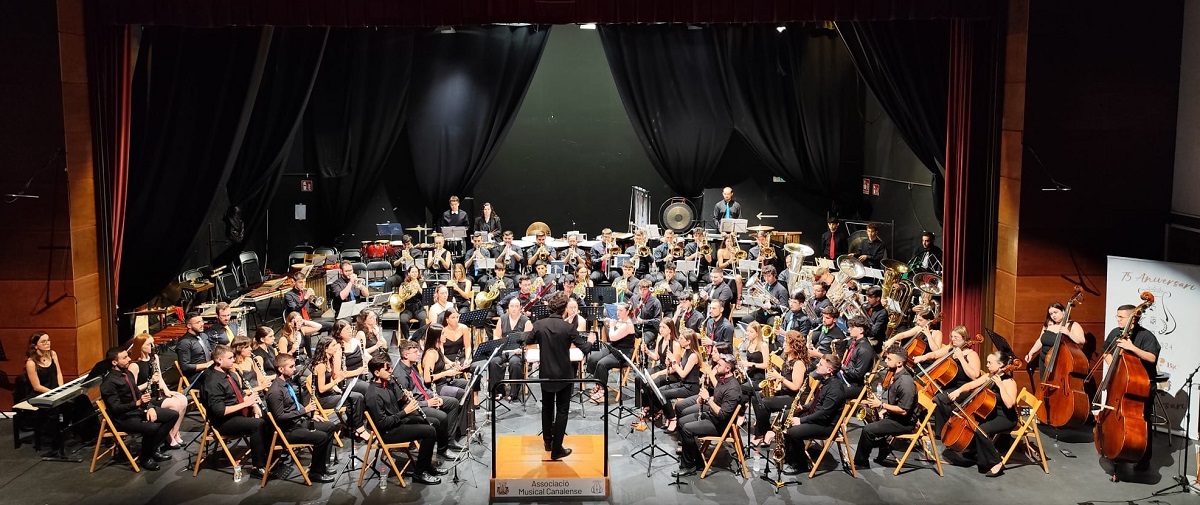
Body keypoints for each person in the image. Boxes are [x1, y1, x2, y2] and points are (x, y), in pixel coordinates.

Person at [525, 292, 596, 459]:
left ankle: (547, 442)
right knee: (562, 410)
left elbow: (528, 340)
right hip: (565, 375)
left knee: (547, 408)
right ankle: (557, 449)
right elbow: (584, 349)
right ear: (564, 309)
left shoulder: (539, 325)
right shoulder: (568, 327)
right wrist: (591, 340)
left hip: (546, 373)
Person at [1100, 303, 1161, 477]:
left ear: (1132, 318)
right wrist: (1115, 367)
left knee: (1143, 421)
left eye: (1121, 317)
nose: (1117, 319)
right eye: (1117, 316)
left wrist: (1131, 348)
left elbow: (1152, 357)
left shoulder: (1146, 336)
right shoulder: (1115, 333)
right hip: (1119, 384)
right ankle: (1115, 451)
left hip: (1141, 387)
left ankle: (1143, 458)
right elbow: (1106, 351)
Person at [937, 350, 1019, 477]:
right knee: (972, 423)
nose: (986, 365)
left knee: (981, 429)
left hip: (1006, 417)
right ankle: (974, 452)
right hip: (991, 413)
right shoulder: (989, 376)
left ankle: (996, 462)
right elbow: (971, 384)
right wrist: (959, 391)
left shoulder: (1009, 382)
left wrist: (1001, 386)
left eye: (990, 363)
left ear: (1001, 364)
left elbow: (1009, 404)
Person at [363, 357, 443, 485]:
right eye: (387, 369)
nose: (391, 371)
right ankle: (419, 473)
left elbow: (394, 405)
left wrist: (405, 398)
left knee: (435, 422)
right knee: (429, 431)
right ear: (377, 373)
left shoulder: (386, 383)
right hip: (389, 432)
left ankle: (426, 465)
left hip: (398, 422)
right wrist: (405, 412)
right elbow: (382, 423)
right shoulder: (373, 395)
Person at [100, 347, 177, 471]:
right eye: (124, 358)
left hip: (136, 411)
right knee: (152, 427)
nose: (129, 359)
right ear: (114, 362)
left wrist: (150, 407)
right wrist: (137, 404)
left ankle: (150, 451)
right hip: (123, 418)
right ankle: (145, 458)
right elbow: (115, 408)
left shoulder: (127, 374)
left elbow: (139, 394)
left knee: (172, 415)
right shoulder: (109, 383)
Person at [200, 345, 272, 478]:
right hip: (223, 422)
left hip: (238, 413)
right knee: (257, 425)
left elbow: (239, 394)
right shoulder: (212, 382)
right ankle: (258, 466)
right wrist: (246, 404)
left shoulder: (229, 374)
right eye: (230, 357)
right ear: (219, 360)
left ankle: (271, 455)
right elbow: (220, 411)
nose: (233, 360)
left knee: (268, 416)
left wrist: (253, 405)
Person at [265, 353, 337, 483]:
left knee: (329, 426)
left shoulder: (287, 384)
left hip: (298, 422)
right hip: (288, 431)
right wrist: (305, 411)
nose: (294, 369)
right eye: (291, 366)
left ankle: (322, 466)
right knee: (321, 437)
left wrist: (310, 415)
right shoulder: (275, 391)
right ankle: (315, 473)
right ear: (281, 369)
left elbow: (294, 406)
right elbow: (280, 417)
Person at [672, 352, 743, 478]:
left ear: (728, 368)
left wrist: (708, 400)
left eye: (719, 365)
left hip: (720, 426)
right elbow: (717, 399)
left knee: (687, 429)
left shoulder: (733, 388)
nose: (716, 366)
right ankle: (696, 460)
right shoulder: (723, 379)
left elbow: (722, 415)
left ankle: (689, 466)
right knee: (682, 421)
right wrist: (705, 399)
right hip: (712, 416)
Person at [394, 339, 466, 459]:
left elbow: (422, 387)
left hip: (426, 399)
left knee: (453, 403)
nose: (419, 354)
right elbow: (405, 402)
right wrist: (427, 403)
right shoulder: (400, 374)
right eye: (415, 352)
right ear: (405, 355)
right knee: (442, 417)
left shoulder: (413, 366)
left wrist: (434, 396)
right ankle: (443, 449)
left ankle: (450, 440)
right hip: (415, 406)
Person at [781, 354, 848, 475]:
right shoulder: (826, 381)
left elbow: (824, 414)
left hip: (826, 425)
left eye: (821, 364)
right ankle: (791, 457)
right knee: (786, 416)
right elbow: (817, 401)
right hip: (817, 417)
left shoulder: (835, 389)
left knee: (794, 432)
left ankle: (800, 465)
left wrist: (801, 421)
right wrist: (804, 407)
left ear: (829, 370)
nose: (817, 365)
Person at [854, 346, 917, 469]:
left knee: (868, 430)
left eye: (889, 359)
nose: (886, 361)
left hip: (903, 422)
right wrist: (884, 409)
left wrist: (882, 405)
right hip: (893, 416)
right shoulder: (896, 375)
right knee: (867, 414)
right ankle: (884, 446)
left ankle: (861, 462)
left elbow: (904, 411)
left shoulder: (906, 383)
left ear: (899, 363)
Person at [916, 325, 982, 435]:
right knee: (919, 392)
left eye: (956, 337)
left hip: (962, 388)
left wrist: (961, 358)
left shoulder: (972, 355)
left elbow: (974, 376)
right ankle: (919, 422)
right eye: (952, 336)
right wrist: (924, 357)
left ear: (965, 338)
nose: (953, 339)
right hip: (947, 385)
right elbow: (936, 354)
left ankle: (944, 431)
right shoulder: (952, 348)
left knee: (940, 399)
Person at [126, 333, 187, 449]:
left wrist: (167, 390)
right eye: (149, 344)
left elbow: (159, 377)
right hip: (145, 398)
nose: (153, 346)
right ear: (141, 346)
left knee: (182, 399)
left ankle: (174, 433)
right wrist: (150, 383)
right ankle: (168, 438)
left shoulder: (154, 358)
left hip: (156, 393)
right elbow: (133, 389)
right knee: (174, 404)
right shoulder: (134, 365)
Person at [752, 330, 808, 446]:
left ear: (794, 346)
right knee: (756, 397)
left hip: (794, 399)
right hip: (784, 392)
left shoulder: (798, 364)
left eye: (786, 343)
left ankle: (764, 433)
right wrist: (776, 384)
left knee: (765, 403)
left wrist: (780, 378)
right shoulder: (787, 358)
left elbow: (795, 387)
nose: (783, 345)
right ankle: (766, 430)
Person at [311, 336, 370, 442]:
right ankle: (359, 429)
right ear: (325, 349)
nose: (336, 347)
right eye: (333, 345)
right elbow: (321, 389)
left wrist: (335, 387)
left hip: (330, 394)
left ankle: (354, 427)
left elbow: (328, 380)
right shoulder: (321, 365)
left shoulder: (328, 361)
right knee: (355, 398)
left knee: (358, 396)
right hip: (323, 399)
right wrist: (337, 380)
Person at [585, 303, 636, 402]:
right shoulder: (620, 321)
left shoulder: (628, 324)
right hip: (613, 349)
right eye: (617, 310)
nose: (618, 312)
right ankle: (598, 384)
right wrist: (608, 324)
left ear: (627, 312)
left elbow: (612, 337)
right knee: (593, 358)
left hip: (623, 353)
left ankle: (602, 391)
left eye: (621, 310)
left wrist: (611, 326)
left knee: (602, 364)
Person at [1023, 301, 1087, 373]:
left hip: (1060, 361)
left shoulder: (1072, 325)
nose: (1053, 315)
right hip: (1044, 360)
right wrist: (1031, 353)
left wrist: (1069, 334)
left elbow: (1082, 341)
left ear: (1063, 311)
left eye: (1055, 312)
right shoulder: (1048, 324)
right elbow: (1040, 340)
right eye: (1051, 314)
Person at [490, 296, 531, 400]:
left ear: (520, 308)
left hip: (517, 351)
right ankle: (498, 391)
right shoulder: (502, 318)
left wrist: (521, 349)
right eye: (511, 306)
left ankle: (514, 392)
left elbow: (529, 341)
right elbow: (496, 335)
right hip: (504, 350)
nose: (513, 308)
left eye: (516, 306)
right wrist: (498, 345)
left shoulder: (526, 321)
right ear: (508, 307)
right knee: (494, 362)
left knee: (515, 363)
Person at [421, 321, 469, 400]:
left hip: (444, 382)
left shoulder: (438, 349)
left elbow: (438, 368)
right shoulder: (431, 354)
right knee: (461, 393)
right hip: (436, 387)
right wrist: (446, 373)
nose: (446, 335)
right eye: (443, 333)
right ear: (436, 337)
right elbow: (427, 379)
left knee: (468, 385)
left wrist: (452, 366)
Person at [283, 269, 333, 338]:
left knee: (331, 326)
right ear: (294, 282)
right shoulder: (289, 295)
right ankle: (308, 349)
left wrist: (312, 301)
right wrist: (305, 298)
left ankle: (327, 346)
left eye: (304, 282)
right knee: (307, 335)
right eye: (300, 282)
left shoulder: (304, 292)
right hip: (298, 324)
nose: (303, 285)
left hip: (308, 321)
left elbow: (312, 309)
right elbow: (295, 309)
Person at [176, 311, 214, 380]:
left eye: (202, 321)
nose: (202, 324)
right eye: (198, 323)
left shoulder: (204, 336)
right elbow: (185, 367)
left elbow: (209, 352)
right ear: (189, 326)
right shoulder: (184, 342)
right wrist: (206, 365)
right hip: (196, 376)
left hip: (208, 371)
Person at [393, 265, 427, 340]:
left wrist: (418, 287)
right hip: (407, 308)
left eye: (416, 272)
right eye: (412, 272)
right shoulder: (403, 284)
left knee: (423, 318)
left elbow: (425, 296)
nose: (414, 274)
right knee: (403, 320)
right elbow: (401, 298)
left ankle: (420, 338)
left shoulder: (422, 283)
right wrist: (410, 294)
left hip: (419, 308)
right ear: (409, 273)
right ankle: (407, 338)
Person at [629, 279, 663, 345]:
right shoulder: (634, 299)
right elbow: (629, 311)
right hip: (635, 328)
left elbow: (658, 320)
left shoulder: (655, 302)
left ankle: (641, 354)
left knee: (641, 343)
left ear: (649, 290)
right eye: (640, 289)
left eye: (644, 289)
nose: (642, 292)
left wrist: (643, 321)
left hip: (649, 330)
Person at [863, 287, 890, 351]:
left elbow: (874, 332)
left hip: (875, 341)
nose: (868, 299)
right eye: (867, 297)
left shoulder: (883, 313)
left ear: (878, 298)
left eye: (871, 297)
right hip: (864, 336)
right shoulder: (868, 306)